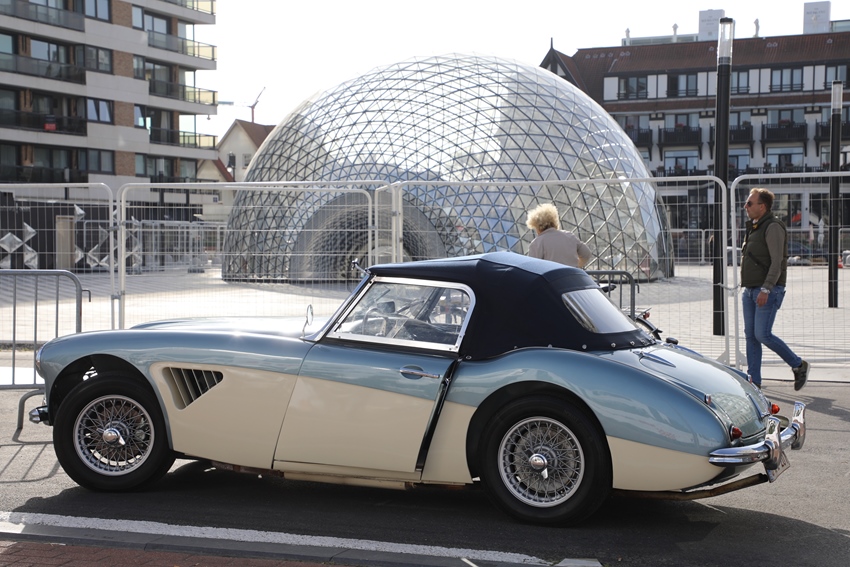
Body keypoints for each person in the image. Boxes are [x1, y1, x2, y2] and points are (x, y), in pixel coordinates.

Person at [740, 187, 809, 390]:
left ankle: (798, 365)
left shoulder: (773, 227)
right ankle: (754, 381)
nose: (745, 206)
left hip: (766, 290)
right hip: (750, 290)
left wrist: (766, 288)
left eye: (749, 203)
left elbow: (777, 262)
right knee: (751, 336)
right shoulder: (755, 226)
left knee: (762, 334)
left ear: (762, 206)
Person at [526, 203, 591, 268]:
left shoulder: (537, 243)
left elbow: (532, 267)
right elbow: (586, 253)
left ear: (538, 227)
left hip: (551, 274)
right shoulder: (569, 236)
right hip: (572, 273)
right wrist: (577, 266)